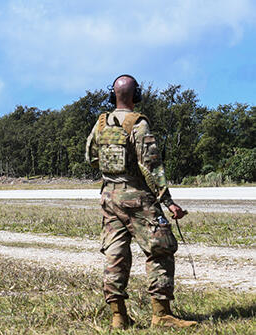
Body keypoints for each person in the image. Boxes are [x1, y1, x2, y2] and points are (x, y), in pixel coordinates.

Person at [85, 74, 197, 329]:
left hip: (109, 197)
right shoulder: (138, 124)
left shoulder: (101, 124)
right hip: (137, 198)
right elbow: (152, 165)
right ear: (136, 95)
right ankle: (161, 314)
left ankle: (118, 316)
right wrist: (168, 201)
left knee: (115, 255)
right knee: (161, 249)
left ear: (113, 95)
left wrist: (112, 174)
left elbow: (91, 156)